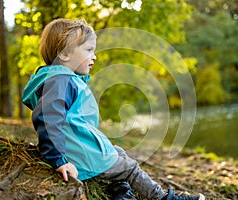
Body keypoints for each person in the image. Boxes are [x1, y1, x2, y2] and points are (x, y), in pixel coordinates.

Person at [22, 18, 205, 200]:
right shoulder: (61, 81)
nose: (94, 56)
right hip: (78, 156)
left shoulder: (60, 79)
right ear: (65, 55)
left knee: (118, 152)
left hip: (79, 149)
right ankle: (163, 198)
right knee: (130, 167)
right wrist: (59, 160)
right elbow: (48, 119)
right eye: (88, 50)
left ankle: (121, 192)